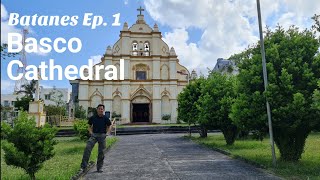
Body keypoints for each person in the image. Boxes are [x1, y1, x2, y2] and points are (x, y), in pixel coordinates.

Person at [80, 104, 115, 173]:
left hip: (102, 135)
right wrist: (91, 132)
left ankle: (99, 168)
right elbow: (89, 125)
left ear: (103, 110)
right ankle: (83, 167)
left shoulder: (105, 118)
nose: (100, 110)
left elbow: (110, 125)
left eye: (102, 109)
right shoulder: (93, 117)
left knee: (101, 152)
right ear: (97, 110)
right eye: (99, 109)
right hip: (94, 135)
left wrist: (107, 133)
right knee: (87, 148)